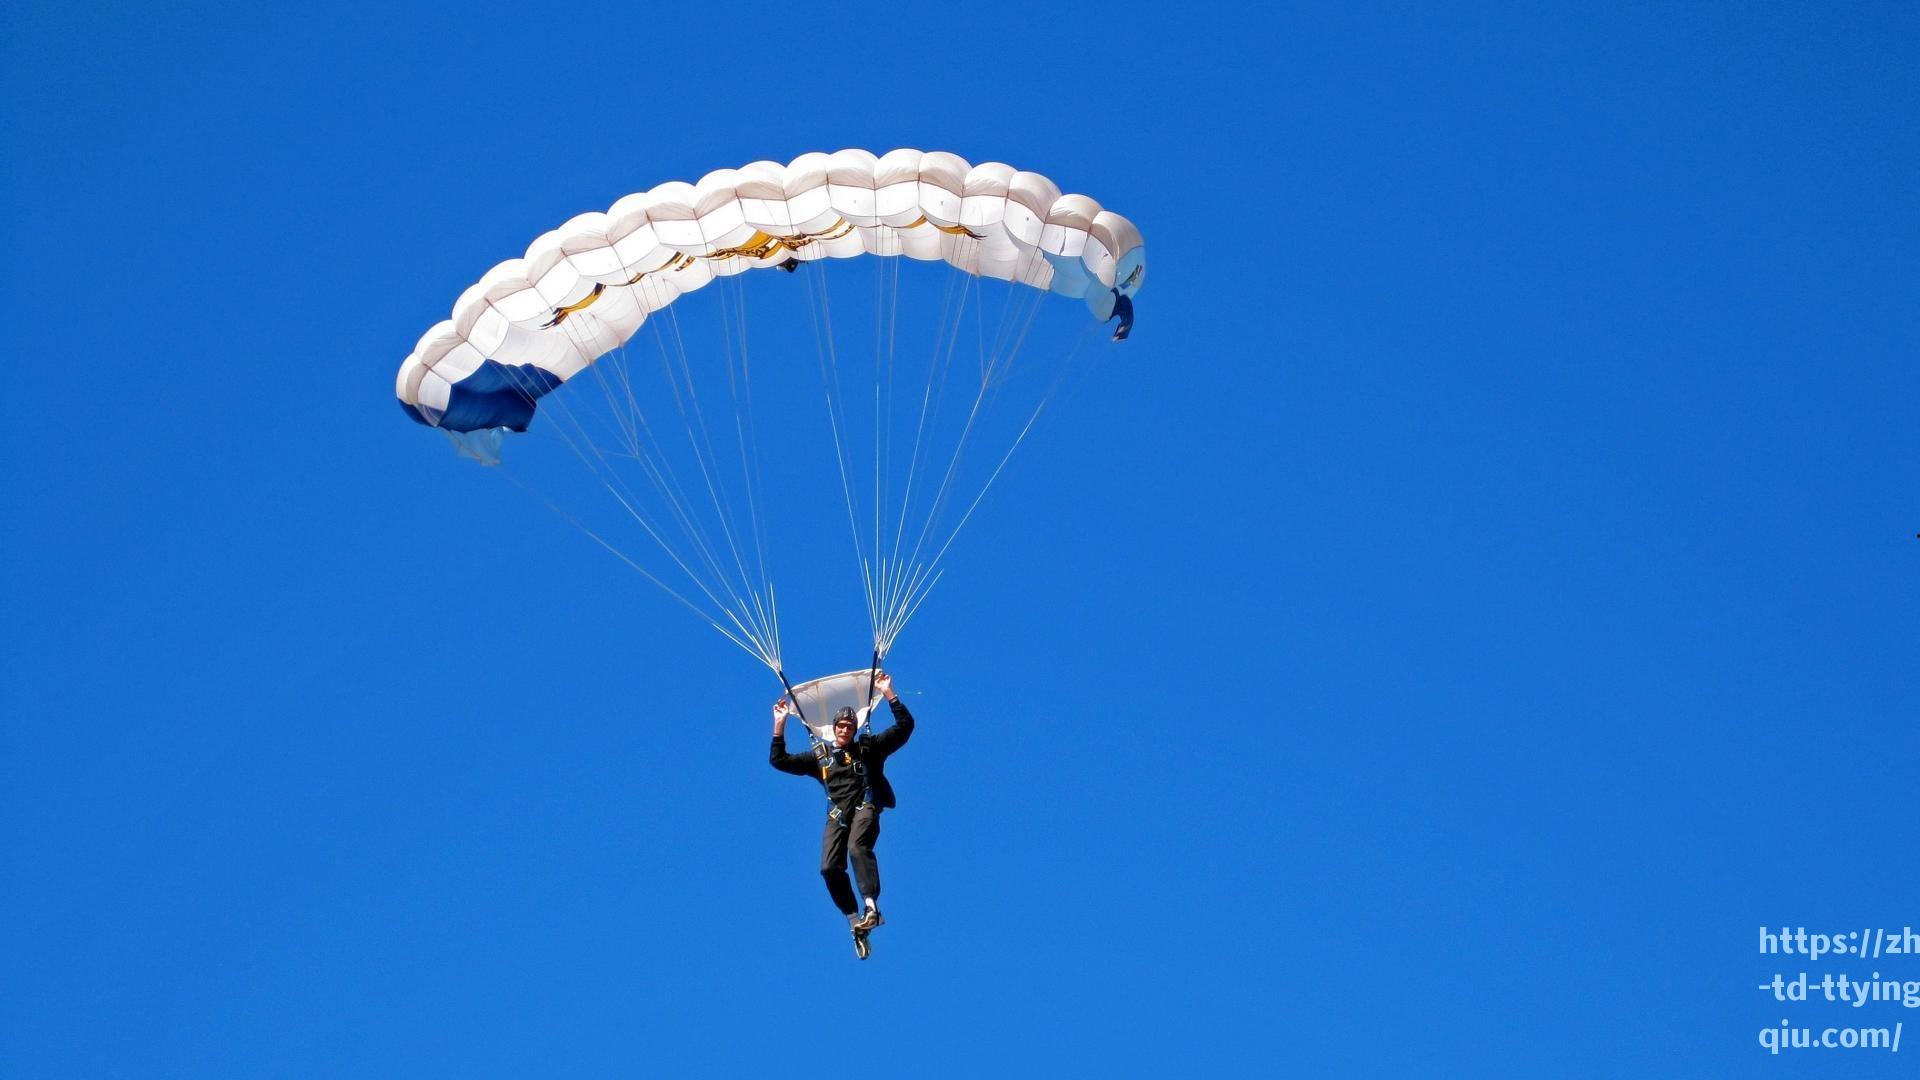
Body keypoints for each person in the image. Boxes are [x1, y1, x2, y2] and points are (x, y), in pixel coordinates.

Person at [769, 670, 914, 958]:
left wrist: (888, 693)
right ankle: (855, 922)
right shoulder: (820, 758)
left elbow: (905, 726)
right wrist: (779, 724)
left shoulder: (869, 750)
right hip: (838, 816)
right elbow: (779, 760)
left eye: (849, 726)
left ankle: (871, 906)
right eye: (840, 726)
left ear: (855, 728)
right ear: (834, 728)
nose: (845, 730)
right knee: (829, 868)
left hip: (866, 807)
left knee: (857, 847)